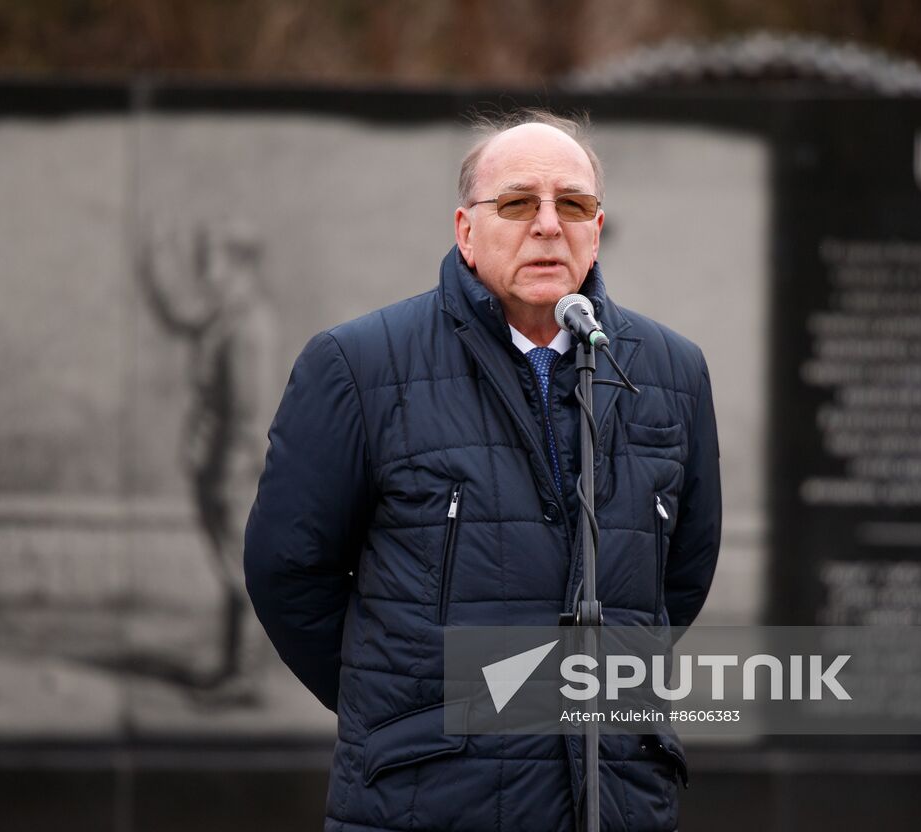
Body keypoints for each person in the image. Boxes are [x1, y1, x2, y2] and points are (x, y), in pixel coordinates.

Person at [244, 111, 721, 831]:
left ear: (596, 228)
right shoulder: (358, 364)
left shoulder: (671, 372)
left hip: (615, 798)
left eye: (574, 205)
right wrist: (411, 706)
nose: (549, 225)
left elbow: (679, 577)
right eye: (519, 202)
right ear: (466, 230)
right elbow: (289, 573)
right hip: (424, 801)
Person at [136, 220, 282, 705]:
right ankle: (233, 668)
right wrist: (153, 265)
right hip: (216, 460)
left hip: (233, 467)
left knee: (241, 569)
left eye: (211, 259)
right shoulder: (227, 315)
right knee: (231, 568)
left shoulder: (247, 325)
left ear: (240, 263)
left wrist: (229, 472)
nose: (204, 269)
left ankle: (244, 677)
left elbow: (246, 412)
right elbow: (180, 315)